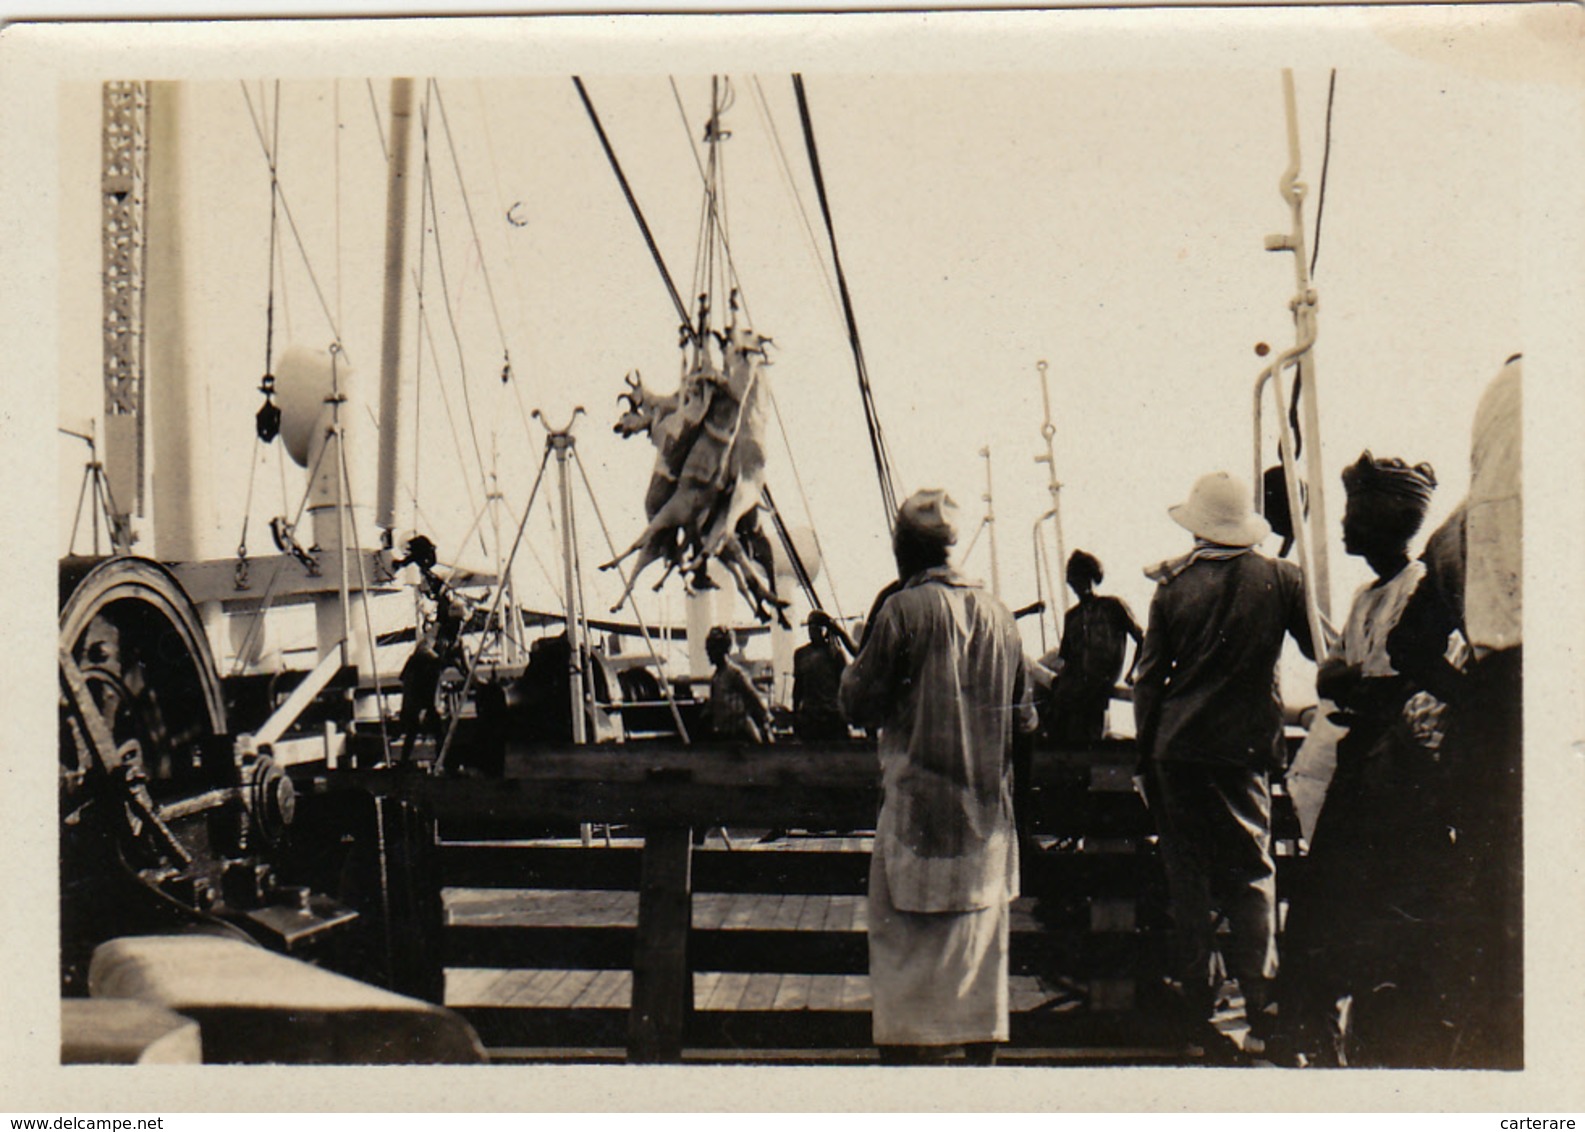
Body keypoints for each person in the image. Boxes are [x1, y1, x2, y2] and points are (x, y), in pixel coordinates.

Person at [839, 489, 1037, 1066]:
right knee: (979, 991)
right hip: (987, 837)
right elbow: (1024, 724)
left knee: (905, 987)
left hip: (914, 830)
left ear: (904, 548)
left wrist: (859, 653)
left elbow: (857, 704)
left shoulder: (902, 611)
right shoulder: (1002, 616)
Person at [1274, 451, 1459, 1067]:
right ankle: (1322, 1046)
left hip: (1398, 776)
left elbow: (1403, 683)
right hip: (1356, 770)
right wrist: (1344, 683)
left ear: (1387, 519)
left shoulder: (1419, 588)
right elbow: (1343, 678)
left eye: (1355, 510)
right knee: (1321, 920)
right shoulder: (1362, 598)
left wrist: (1351, 684)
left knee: (1382, 918)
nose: (1346, 524)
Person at [1132, 471, 1314, 1051]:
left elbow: (1146, 682)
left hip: (1174, 750)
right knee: (1253, 874)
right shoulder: (1283, 578)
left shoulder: (1172, 587)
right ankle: (1259, 1002)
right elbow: (1319, 647)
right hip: (1243, 753)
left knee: (1187, 877)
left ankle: (1198, 1005)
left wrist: (1144, 755)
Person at [1047, 549, 1143, 745]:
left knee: (1090, 745)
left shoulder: (1113, 606)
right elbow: (1066, 659)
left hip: (1097, 691)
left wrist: (1132, 673)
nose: (1075, 584)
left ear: (1092, 577)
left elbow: (1143, 640)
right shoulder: (1071, 617)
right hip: (1073, 693)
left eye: (1080, 577)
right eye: (1072, 579)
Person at [705, 626, 771, 743]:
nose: (709, 653)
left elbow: (754, 699)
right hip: (724, 736)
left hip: (741, 735)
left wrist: (766, 721)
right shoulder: (716, 678)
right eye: (708, 649)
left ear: (722, 649)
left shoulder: (735, 674)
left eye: (712, 648)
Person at [792, 612, 851, 742]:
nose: (812, 630)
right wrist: (795, 714)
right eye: (810, 627)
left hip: (832, 718)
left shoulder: (835, 654)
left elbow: (844, 686)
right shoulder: (801, 654)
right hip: (810, 718)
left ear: (824, 630)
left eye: (816, 627)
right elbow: (798, 688)